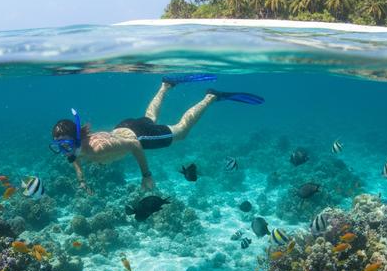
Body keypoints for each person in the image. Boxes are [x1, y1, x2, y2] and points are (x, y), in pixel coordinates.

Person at [50, 74, 263, 192]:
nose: (64, 151)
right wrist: (81, 180)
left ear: (76, 139)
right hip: (124, 125)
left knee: (181, 132)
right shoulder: (74, 151)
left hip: (137, 137)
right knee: (149, 118)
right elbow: (74, 159)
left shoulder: (98, 148)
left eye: (66, 145)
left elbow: (133, 145)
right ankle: (165, 85)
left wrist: (146, 175)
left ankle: (211, 97)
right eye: (59, 147)